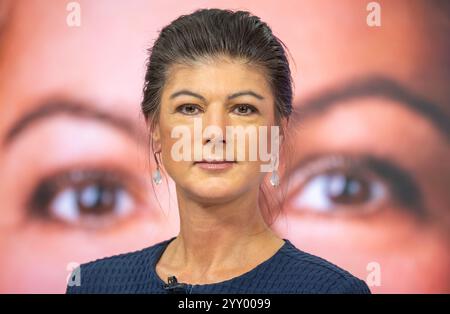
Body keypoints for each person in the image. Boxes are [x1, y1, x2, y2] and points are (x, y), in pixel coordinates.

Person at [66, 8, 370, 294]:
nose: (215, 132)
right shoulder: (95, 285)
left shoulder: (329, 290)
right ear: (155, 130)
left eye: (242, 109)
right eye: (189, 108)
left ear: (277, 134)